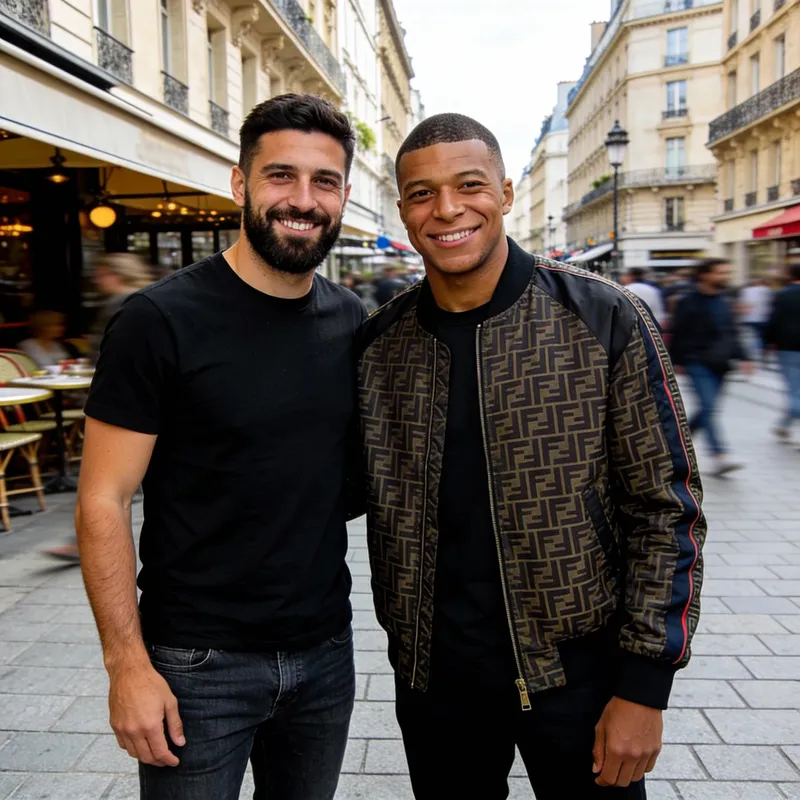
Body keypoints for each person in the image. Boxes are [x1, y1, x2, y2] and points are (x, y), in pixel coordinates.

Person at [356, 114, 706, 799]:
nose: (447, 208)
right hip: (437, 683)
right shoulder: (379, 344)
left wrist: (645, 687)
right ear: (402, 210)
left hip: (582, 677)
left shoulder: (603, 316)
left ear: (508, 193)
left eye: (469, 185)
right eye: (422, 193)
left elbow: (666, 509)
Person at [76, 94, 365, 800]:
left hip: (326, 654)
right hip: (195, 666)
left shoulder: (353, 321)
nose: (303, 200)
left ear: (344, 196)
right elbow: (102, 499)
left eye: (324, 182)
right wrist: (127, 668)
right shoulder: (158, 321)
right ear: (240, 185)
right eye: (280, 176)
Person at [670, 258, 753, 475]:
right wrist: (676, 361)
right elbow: (678, 332)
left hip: (721, 363)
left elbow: (732, 331)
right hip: (697, 361)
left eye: (726, 272)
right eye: (720, 272)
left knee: (706, 410)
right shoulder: (688, 301)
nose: (725, 276)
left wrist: (744, 357)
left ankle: (675, 444)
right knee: (709, 408)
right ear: (704, 275)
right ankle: (720, 455)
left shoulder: (725, 301)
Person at [89, 253, 154, 360]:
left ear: (118, 275)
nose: (96, 281)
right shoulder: (149, 296)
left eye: (101, 275)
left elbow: (106, 347)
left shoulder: (119, 302)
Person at [765, 263, 800, 442]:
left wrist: (768, 343)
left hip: (787, 349)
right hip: (789, 348)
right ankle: (783, 425)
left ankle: (784, 425)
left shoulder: (782, 295)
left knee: (794, 391)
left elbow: (773, 320)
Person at [738, 277, 773, 363]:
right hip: (763, 317)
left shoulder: (746, 290)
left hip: (749, 317)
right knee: (761, 336)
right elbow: (772, 303)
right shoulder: (766, 290)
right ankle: (761, 353)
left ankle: (751, 353)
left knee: (751, 336)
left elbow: (742, 304)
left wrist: (743, 314)